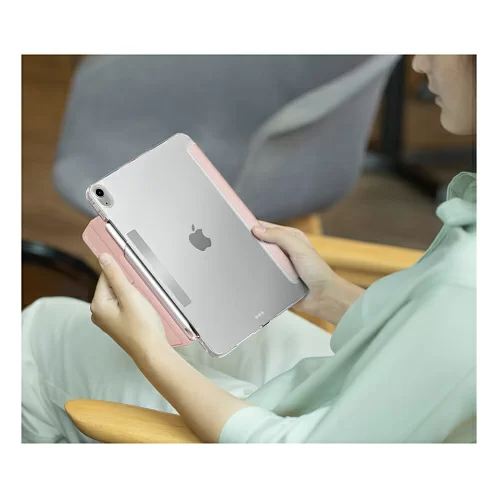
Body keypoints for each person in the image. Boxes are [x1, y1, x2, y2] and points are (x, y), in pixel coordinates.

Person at [22, 55, 476, 443]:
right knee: (208, 327)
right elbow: (427, 343)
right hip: (365, 385)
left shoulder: (466, 293)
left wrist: (150, 353)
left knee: (42, 334)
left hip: (296, 434)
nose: (419, 63)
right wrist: (332, 295)